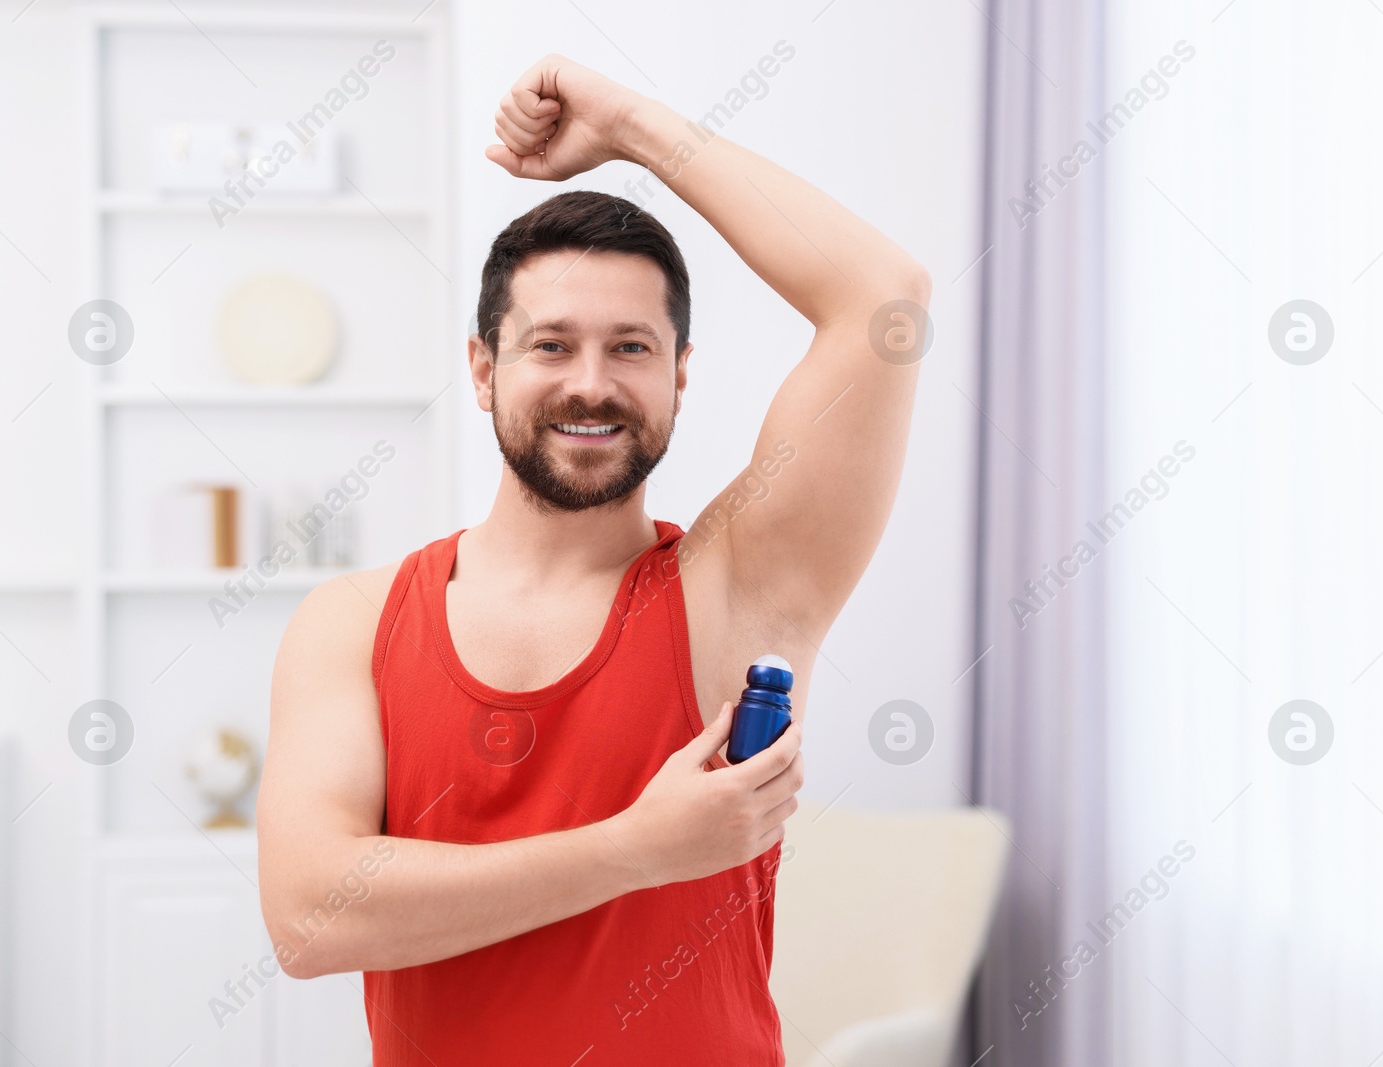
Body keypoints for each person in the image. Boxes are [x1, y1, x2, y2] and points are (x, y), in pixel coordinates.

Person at [256, 52, 931, 1066]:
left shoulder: (737, 588)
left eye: (630, 348)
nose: (590, 383)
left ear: (678, 376)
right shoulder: (352, 622)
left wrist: (627, 125)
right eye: (550, 345)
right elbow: (310, 916)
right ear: (483, 367)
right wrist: (636, 848)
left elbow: (885, 298)